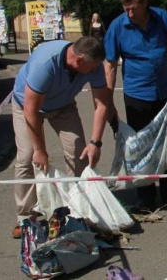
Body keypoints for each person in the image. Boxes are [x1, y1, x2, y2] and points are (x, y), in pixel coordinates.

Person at [11, 36, 112, 238]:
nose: (95, 71)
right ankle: (25, 218)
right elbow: (31, 110)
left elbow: (101, 104)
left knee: (79, 152)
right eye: (92, 67)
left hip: (63, 105)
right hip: (27, 107)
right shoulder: (45, 63)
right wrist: (40, 150)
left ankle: (78, 209)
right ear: (79, 60)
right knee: (27, 157)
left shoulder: (94, 65)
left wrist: (95, 142)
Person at [104, 0, 167, 211]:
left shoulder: (163, 18)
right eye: (126, 9)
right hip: (136, 94)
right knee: (140, 147)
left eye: (133, 8)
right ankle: (146, 199)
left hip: (164, 92)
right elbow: (109, 64)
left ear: (144, 4)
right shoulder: (118, 26)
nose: (129, 13)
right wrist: (108, 102)